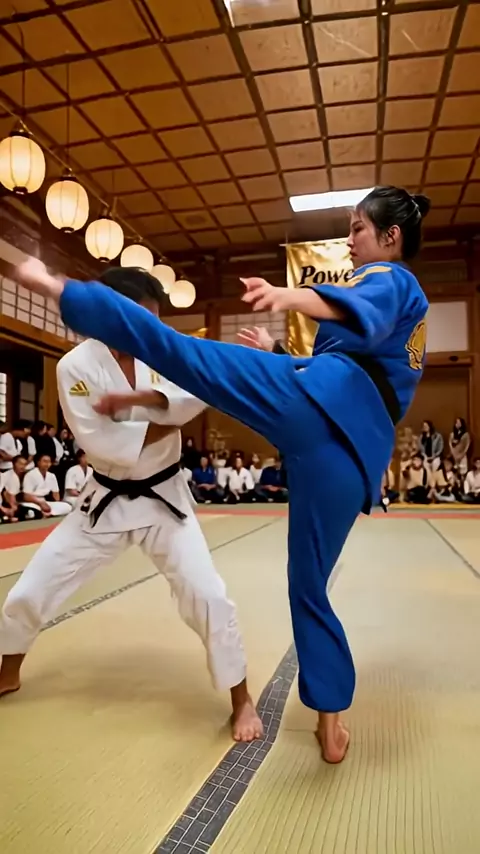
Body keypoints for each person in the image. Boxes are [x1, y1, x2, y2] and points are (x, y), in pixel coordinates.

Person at [14, 185, 430, 764]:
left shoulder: (392, 279)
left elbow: (355, 323)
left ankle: (62, 288)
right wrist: (277, 352)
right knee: (309, 584)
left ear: (391, 236)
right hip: (351, 451)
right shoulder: (399, 311)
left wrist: (286, 294)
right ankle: (331, 723)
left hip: (318, 407)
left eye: (358, 227)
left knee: (182, 354)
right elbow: (352, 357)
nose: (351, 238)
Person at [0, 268, 261, 744]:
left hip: (165, 500)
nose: (149, 331)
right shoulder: (75, 366)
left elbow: (197, 391)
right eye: (139, 320)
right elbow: (102, 442)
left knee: (208, 595)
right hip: (104, 499)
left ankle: (241, 697)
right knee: (33, 587)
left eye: (154, 322)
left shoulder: (164, 349)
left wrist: (158, 401)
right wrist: (171, 409)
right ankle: (8, 670)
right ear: (110, 315)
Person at [21, 453, 72, 518]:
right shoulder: (30, 475)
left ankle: (47, 514)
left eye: (49, 462)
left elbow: (56, 493)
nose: (47, 464)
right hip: (33, 502)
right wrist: (40, 503)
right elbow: (26, 496)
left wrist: (57, 503)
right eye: (45, 461)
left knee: (67, 507)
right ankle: (42, 513)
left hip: (45, 501)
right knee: (30, 511)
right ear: (38, 462)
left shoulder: (51, 476)